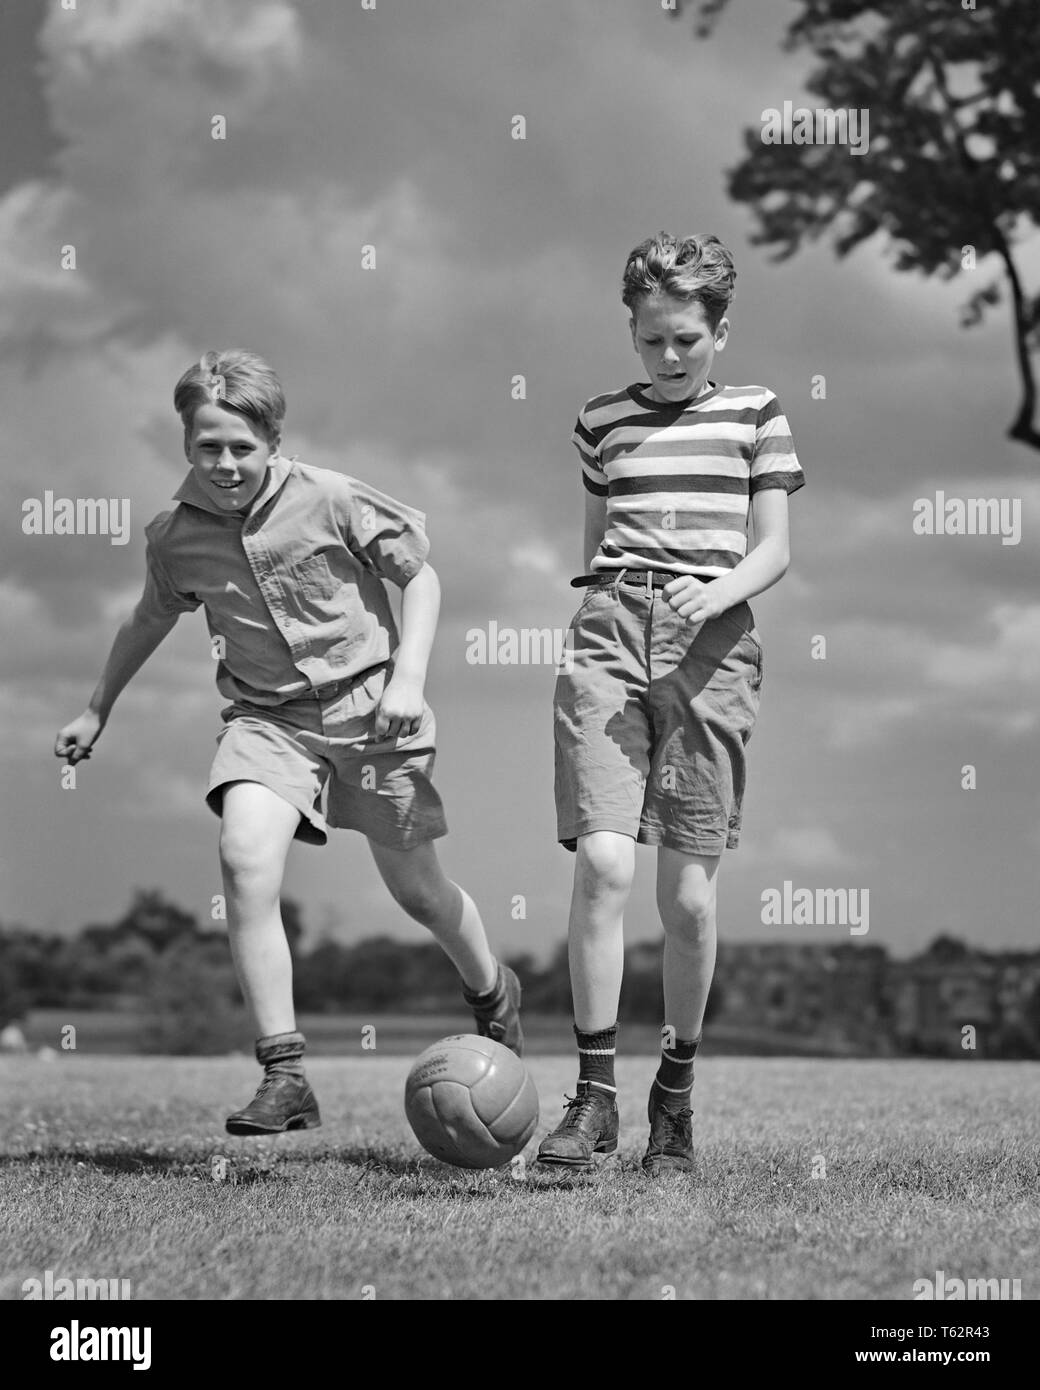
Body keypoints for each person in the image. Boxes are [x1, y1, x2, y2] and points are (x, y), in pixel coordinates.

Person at [55, 349, 522, 1135]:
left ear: (273, 439)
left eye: (243, 447)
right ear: (185, 443)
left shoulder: (331, 497)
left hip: (374, 708)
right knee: (243, 857)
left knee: (419, 894)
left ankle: (491, 993)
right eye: (209, 447)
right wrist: (96, 708)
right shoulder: (175, 537)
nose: (226, 464)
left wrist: (409, 679)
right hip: (267, 721)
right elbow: (148, 618)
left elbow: (422, 575)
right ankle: (285, 1073)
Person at [537, 232, 804, 1176]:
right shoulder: (600, 419)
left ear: (720, 330)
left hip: (714, 643)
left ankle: (675, 1096)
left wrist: (719, 591)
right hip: (610, 632)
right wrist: (614, 605)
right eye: (652, 340)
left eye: (687, 338)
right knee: (604, 863)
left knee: (686, 897)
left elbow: (773, 548)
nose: (669, 356)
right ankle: (595, 1097)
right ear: (633, 330)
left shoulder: (757, 414)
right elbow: (592, 544)